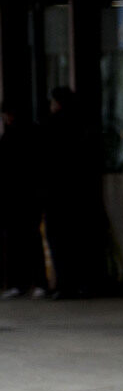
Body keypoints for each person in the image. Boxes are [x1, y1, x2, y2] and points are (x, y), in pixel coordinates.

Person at [41, 87, 108, 298]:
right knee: (83, 239)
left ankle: (65, 284)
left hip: (57, 194)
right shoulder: (85, 126)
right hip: (82, 194)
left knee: (60, 241)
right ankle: (87, 283)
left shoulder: (51, 126)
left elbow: (43, 161)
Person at [0, 102, 48, 299]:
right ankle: (23, 283)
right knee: (17, 242)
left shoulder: (24, 135)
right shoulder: (14, 136)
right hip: (18, 199)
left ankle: (33, 282)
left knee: (27, 241)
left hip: (25, 198)